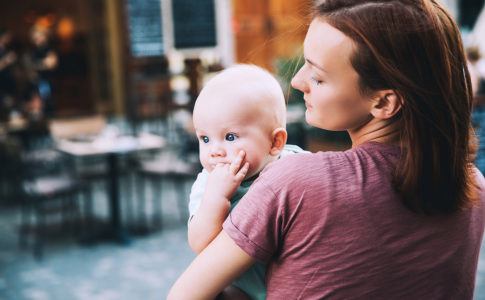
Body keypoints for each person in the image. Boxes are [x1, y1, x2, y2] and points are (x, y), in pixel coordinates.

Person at [169, 0, 485, 299]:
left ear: (383, 101)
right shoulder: (472, 186)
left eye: (318, 77)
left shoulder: (292, 182)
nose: (296, 81)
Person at [187, 64, 305, 299]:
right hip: (243, 290)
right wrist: (217, 197)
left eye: (230, 137)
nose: (215, 151)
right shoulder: (208, 184)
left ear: (276, 142)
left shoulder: (297, 164)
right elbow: (200, 243)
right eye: (205, 138)